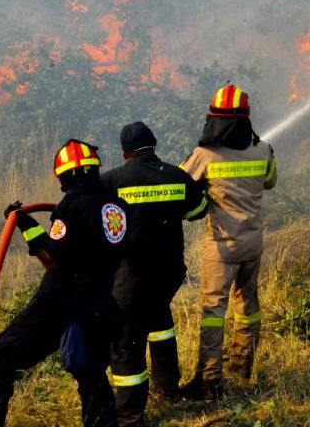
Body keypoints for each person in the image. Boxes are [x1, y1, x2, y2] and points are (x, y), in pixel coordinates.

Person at [0, 139, 129, 427]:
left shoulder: (71, 207)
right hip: (99, 304)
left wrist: (26, 225)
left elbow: (54, 259)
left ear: (65, 176)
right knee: (92, 375)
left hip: (58, 304)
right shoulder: (117, 207)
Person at [101, 121, 207, 426]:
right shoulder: (176, 175)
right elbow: (197, 210)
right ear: (155, 144)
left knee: (125, 341)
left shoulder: (112, 181)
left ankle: (130, 416)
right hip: (168, 274)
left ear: (124, 153)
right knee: (160, 323)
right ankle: (168, 388)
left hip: (131, 278)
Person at [178, 83, 277, 400]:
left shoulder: (204, 155)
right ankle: (241, 368)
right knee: (248, 307)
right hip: (253, 245)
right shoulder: (263, 150)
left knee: (212, 312)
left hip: (221, 249)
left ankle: (208, 382)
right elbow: (270, 182)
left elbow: (180, 184)